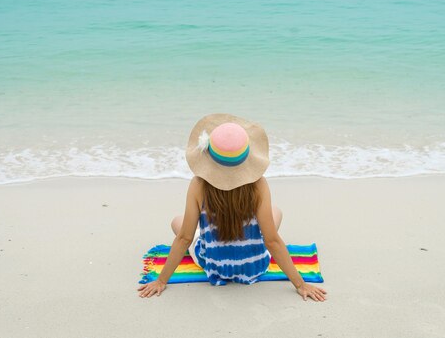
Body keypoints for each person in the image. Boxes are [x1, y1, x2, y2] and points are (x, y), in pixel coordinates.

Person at [137, 113, 327, 301]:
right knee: (276, 212)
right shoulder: (259, 185)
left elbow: (184, 238)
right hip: (253, 266)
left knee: (177, 222)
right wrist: (300, 284)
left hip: (215, 265)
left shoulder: (198, 185)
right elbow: (272, 241)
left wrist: (161, 280)